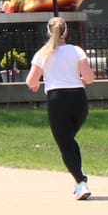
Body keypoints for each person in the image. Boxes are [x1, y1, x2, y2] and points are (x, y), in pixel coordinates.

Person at [25, 17, 93, 199]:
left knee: (65, 144)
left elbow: (30, 81)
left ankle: (81, 183)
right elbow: (89, 77)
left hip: (57, 100)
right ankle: (79, 177)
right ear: (66, 32)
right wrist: (79, 79)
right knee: (69, 141)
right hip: (79, 100)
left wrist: (37, 83)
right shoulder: (76, 51)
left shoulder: (43, 53)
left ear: (48, 32)